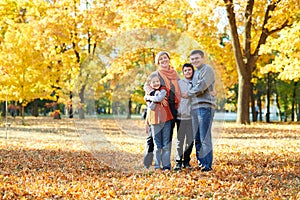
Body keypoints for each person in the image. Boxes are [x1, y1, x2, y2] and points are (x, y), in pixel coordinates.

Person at [143, 51, 181, 169]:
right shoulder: (156, 74)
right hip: (158, 107)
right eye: (161, 59)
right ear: (158, 62)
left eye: (165, 58)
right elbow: (146, 86)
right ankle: (148, 162)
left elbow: (179, 87)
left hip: (172, 107)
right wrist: (157, 96)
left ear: (169, 59)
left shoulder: (175, 74)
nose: (163, 60)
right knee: (152, 137)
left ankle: (165, 164)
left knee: (167, 137)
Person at [184, 50, 216, 172]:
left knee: (204, 137)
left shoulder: (207, 69)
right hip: (195, 108)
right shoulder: (196, 72)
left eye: (197, 58)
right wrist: (194, 89)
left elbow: (201, 87)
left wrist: (189, 93)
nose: (194, 61)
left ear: (202, 58)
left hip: (205, 107)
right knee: (197, 138)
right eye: (192, 59)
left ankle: (207, 166)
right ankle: (201, 163)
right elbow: (194, 86)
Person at [144, 72, 173, 170]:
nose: (156, 83)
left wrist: (148, 97)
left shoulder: (163, 89)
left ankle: (166, 166)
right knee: (157, 145)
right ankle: (157, 166)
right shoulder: (149, 92)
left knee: (165, 144)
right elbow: (151, 107)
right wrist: (154, 98)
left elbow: (160, 97)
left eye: (157, 81)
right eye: (153, 82)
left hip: (166, 120)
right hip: (154, 121)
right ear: (150, 85)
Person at [174, 63, 195, 171]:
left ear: (192, 71)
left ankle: (186, 161)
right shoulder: (179, 83)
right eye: (185, 70)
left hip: (192, 117)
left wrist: (190, 93)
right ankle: (178, 161)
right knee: (180, 140)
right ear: (183, 72)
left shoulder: (196, 83)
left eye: (189, 70)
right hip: (181, 116)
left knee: (190, 141)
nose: (187, 72)